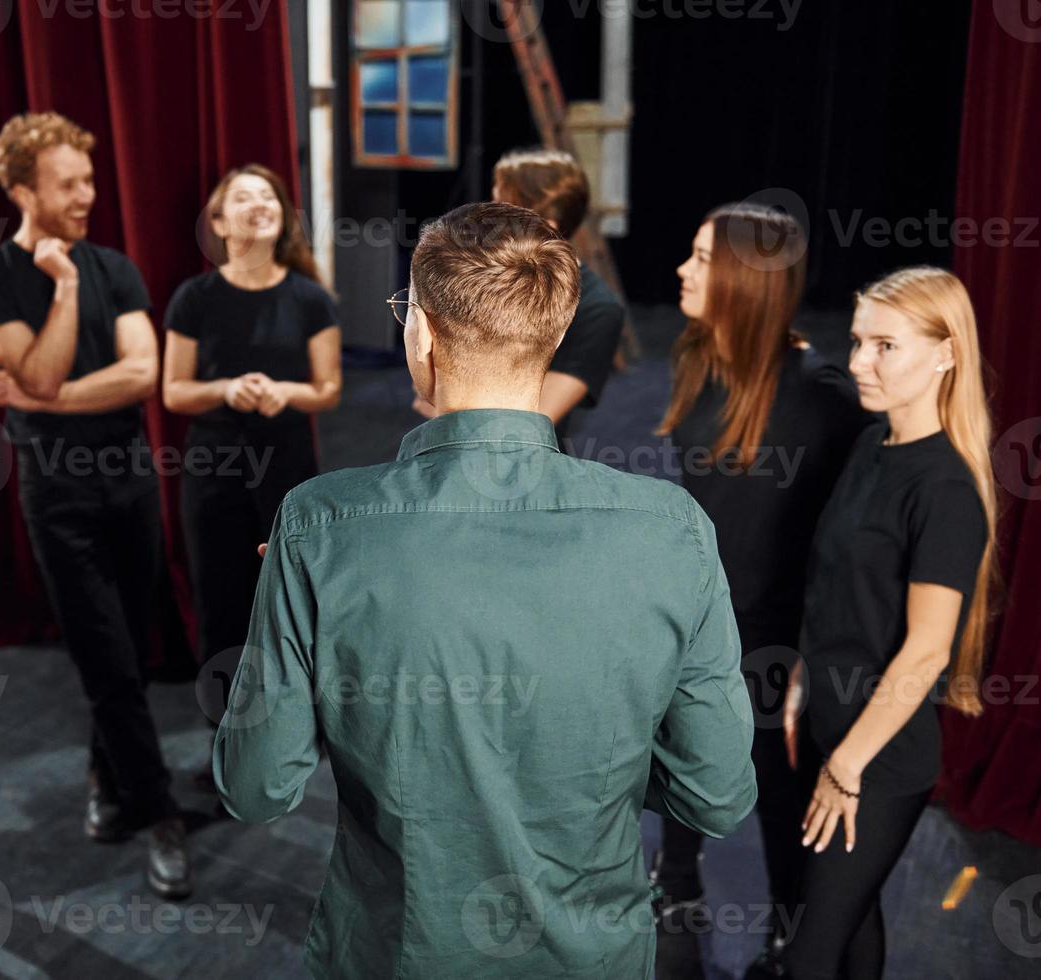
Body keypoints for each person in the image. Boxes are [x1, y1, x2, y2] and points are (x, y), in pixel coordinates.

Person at [214, 202, 757, 979]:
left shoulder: (318, 527)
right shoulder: (673, 529)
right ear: (552, 333)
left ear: (423, 335)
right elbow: (716, 796)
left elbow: (257, 787)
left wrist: (298, 619)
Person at [0, 111, 190, 898]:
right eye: (69, 184)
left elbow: (140, 374)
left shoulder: (117, 267)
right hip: (56, 493)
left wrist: (39, 400)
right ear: (23, 190)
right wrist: (60, 289)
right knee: (103, 655)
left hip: (130, 478)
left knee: (128, 644)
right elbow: (47, 368)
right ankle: (159, 811)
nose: (88, 194)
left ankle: (105, 775)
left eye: (89, 179)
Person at [649, 203, 873, 978]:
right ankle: (675, 882)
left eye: (703, 258)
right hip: (691, 618)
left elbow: (844, 549)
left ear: (744, 280)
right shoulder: (695, 360)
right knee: (674, 753)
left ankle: (787, 932)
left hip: (776, 639)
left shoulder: (823, 400)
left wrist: (814, 659)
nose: (684, 269)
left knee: (779, 792)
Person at [781, 267, 997, 980]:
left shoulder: (944, 490)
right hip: (830, 724)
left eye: (884, 346)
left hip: (877, 759)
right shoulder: (871, 446)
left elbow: (928, 653)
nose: (856, 362)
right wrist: (804, 682)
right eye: (856, 342)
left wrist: (844, 767)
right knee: (851, 921)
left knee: (811, 951)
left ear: (945, 354)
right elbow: (836, 584)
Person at [161, 163, 341, 754]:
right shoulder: (195, 298)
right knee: (220, 600)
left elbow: (328, 388)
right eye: (243, 197)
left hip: (288, 471)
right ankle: (226, 734)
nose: (259, 203)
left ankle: (290, 729)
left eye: (269, 195)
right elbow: (174, 391)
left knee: (289, 601)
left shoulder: (311, 297)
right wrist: (227, 389)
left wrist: (283, 393)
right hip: (214, 472)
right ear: (219, 221)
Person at [415, 148, 625, 447]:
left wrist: (447, 395)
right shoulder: (484, 280)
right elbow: (428, 389)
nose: (485, 219)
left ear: (545, 225)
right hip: (454, 448)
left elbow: (526, 421)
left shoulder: (597, 309)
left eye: (502, 209)